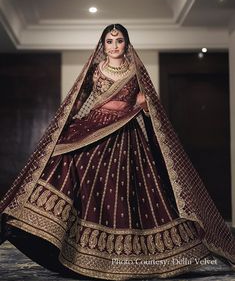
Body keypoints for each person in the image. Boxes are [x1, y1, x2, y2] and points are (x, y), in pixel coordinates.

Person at [0, 24, 234, 280]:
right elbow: (78, 102)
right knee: (68, 166)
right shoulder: (95, 71)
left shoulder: (136, 72)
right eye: (109, 41)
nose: (114, 46)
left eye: (119, 40)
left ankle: (128, 255)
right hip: (93, 129)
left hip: (126, 138)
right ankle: (63, 240)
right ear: (103, 45)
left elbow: (150, 107)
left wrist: (143, 106)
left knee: (125, 191)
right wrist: (64, 128)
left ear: (127, 44)